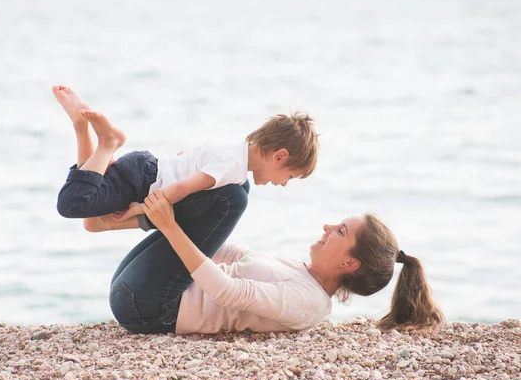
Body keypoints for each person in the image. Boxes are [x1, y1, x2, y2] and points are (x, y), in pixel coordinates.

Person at [108, 189, 444, 334]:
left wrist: (169, 224)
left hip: (152, 307)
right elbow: (225, 251)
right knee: (229, 193)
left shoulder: (308, 304)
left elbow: (227, 293)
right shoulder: (300, 271)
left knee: (233, 198)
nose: (328, 227)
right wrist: (188, 217)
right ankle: (112, 214)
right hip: (148, 291)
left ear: (350, 264)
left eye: (340, 231)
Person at [52, 85, 319, 231]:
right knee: (72, 204)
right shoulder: (232, 167)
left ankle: (80, 126)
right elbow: (182, 188)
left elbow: (182, 157)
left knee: (92, 223)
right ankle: (108, 143)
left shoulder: (229, 148)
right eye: (290, 177)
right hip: (143, 182)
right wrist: (142, 208)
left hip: (145, 167)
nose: (284, 183)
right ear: (280, 157)